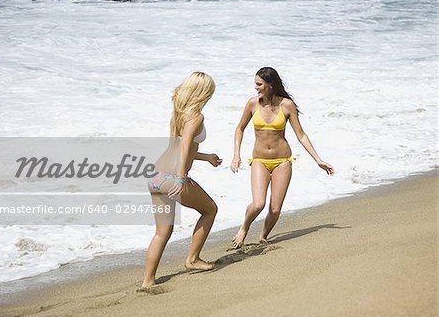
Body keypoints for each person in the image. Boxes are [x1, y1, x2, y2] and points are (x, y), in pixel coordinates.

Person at [230, 67, 334, 248]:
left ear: (270, 85)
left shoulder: (287, 105)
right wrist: (236, 155)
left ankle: (263, 235)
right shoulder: (253, 104)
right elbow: (239, 128)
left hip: (282, 161)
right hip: (260, 161)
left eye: (259, 84)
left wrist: (318, 159)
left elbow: (300, 134)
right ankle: (244, 228)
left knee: (275, 209)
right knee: (258, 204)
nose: (256, 87)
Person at [142, 72, 222, 288]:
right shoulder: (196, 117)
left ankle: (148, 281)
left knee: (162, 232)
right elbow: (185, 145)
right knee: (210, 209)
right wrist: (181, 178)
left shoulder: (178, 114)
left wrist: (206, 157)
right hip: (172, 178)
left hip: (156, 175)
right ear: (203, 92)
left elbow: (177, 148)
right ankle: (193, 259)